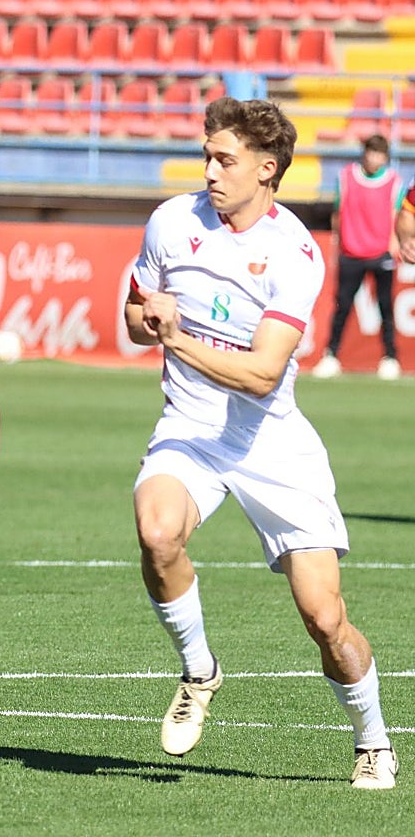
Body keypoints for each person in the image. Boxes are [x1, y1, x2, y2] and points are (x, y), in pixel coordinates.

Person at [125, 96, 396, 790]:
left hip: (271, 444)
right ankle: (198, 669)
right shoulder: (171, 222)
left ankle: (372, 740)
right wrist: (148, 317)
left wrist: (178, 337)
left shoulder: (295, 252)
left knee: (325, 618)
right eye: (207, 156)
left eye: (225, 160)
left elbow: (262, 373)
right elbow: (134, 313)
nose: (210, 171)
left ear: (266, 170)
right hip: (190, 431)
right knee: (157, 533)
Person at [311, 134, 403, 380]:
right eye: (371, 152)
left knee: (386, 307)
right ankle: (330, 356)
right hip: (351, 252)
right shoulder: (347, 177)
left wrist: (394, 244)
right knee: (342, 307)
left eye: (379, 154)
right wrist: (337, 245)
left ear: (385, 157)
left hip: (381, 252)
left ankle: (391, 358)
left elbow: (397, 215)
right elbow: (338, 214)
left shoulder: (394, 182)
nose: (374, 158)